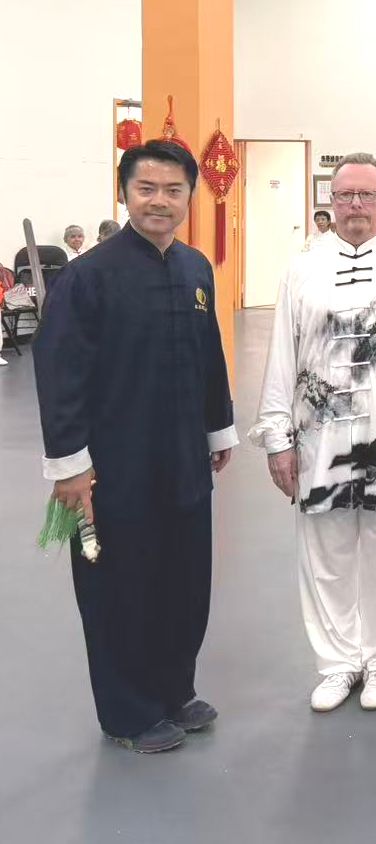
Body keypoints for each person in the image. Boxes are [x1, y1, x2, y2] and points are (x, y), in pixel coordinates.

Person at [34, 140, 237, 753]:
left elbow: (209, 357)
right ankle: (127, 712)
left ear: (190, 196)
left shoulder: (195, 268)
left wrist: (217, 429)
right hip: (112, 468)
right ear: (125, 193)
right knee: (119, 586)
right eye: (147, 188)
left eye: (173, 190)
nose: (160, 201)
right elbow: (59, 372)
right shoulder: (88, 277)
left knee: (184, 579)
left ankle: (174, 690)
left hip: (183, 460)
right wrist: (70, 469)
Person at [249, 152, 376, 714]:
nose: (356, 205)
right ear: (331, 202)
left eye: (367, 195)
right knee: (326, 554)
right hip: (319, 440)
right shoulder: (302, 269)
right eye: (345, 196)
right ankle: (337, 661)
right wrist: (277, 437)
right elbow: (281, 357)